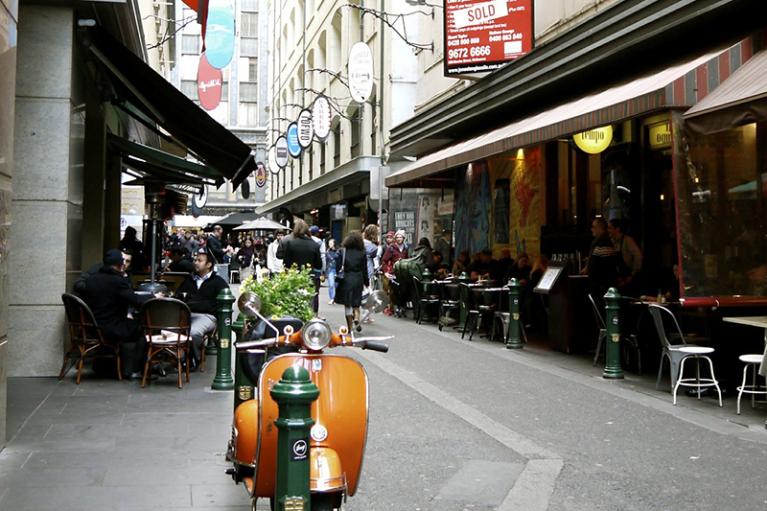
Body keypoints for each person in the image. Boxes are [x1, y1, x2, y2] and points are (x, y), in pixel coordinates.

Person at [81, 249, 152, 377]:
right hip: (111, 328)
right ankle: (134, 370)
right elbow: (135, 301)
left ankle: (101, 365)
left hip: (91, 327)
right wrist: (153, 296)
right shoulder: (118, 281)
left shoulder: (91, 279)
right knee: (143, 328)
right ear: (120, 265)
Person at [174, 249, 229, 366]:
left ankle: (193, 358)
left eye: (199, 260)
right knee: (168, 329)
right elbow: (178, 296)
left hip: (207, 316)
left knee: (194, 333)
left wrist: (194, 303)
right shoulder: (189, 280)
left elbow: (219, 304)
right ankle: (181, 357)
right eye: (195, 260)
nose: (195, 262)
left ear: (208, 265)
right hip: (186, 314)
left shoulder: (218, 282)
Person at [278, 219, 323, 313]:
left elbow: (286, 262)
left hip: (294, 278)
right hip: (309, 278)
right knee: (309, 304)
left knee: (294, 304)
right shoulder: (314, 245)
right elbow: (319, 265)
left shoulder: (291, 243)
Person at [336, 231, 369, 333]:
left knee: (348, 304)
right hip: (358, 278)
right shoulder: (362, 252)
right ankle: (356, 318)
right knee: (356, 303)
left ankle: (350, 328)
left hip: (346, 278)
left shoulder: (342, 251)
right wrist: (366, 282)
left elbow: (337, 266)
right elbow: (365, 269)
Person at [582, 217, 619, 300]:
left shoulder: (603, 243)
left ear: (600, 228)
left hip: (602, 288)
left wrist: (588, 267)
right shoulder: (603, 241)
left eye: (593, 227)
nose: (591, 229)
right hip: (602, 286)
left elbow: (601, 267)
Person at [608, 218, 643, 295]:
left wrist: (633, 274)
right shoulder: (611, 242)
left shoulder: (627, 240)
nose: (608, 230)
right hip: (618, 280)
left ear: (617, 229)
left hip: (629, 279)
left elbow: (638, 256)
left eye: (610, 228)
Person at [325, 238, 340, 305]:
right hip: (330, 269)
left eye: (331, 243)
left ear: (334, 244)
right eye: (329, 243)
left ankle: (335, 298)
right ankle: (332, 298)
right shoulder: (327, 251)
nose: (329, 244)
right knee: (331, 284)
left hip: (337, 269)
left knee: (336, 285)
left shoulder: (339, 251)